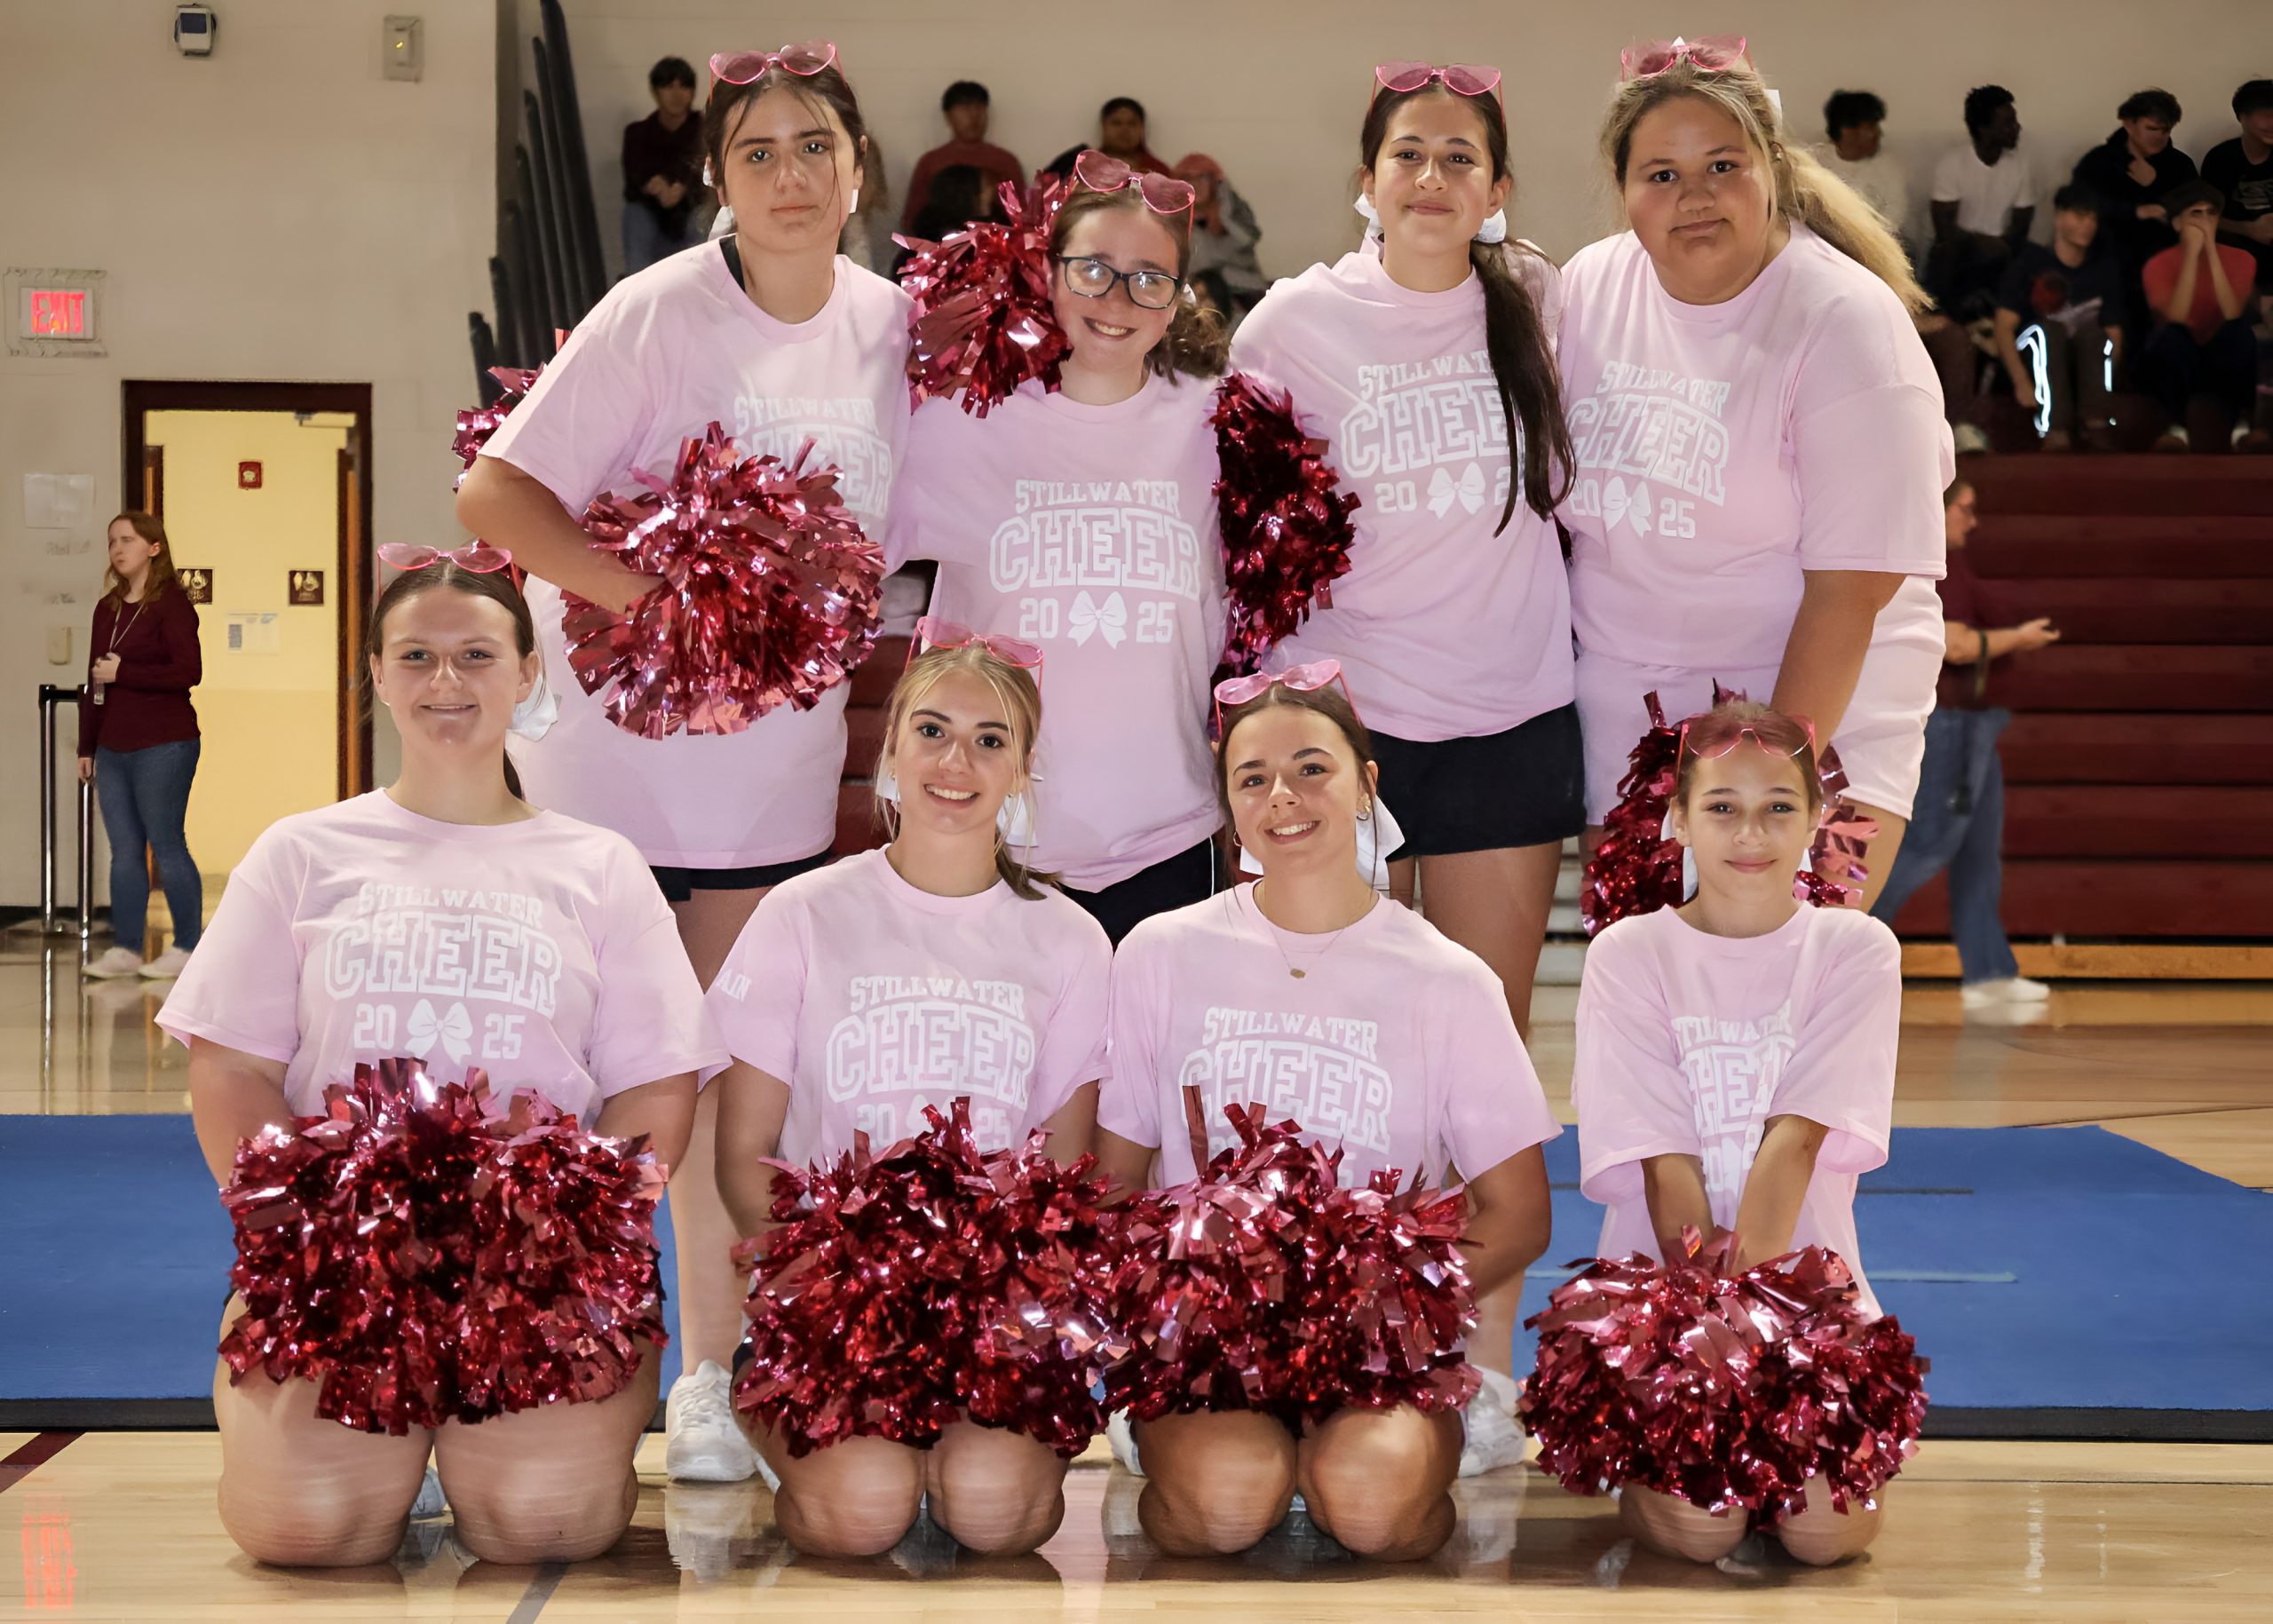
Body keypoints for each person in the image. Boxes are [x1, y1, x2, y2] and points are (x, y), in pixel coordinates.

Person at [455, 40, 913, 1489]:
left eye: (814, 148)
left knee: (724, 1083)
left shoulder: (894, 331)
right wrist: (652, 600)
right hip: (613, 763)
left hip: (772, 776)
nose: (790, 174)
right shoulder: (655, 311)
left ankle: (709, 1377)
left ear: (858, 171)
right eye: (760, 150)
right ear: (717, 173)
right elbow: (496, 490)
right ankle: (517, 1353)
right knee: (583, 1071)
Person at [155, 556, 720, 1567]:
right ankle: (386, 1450)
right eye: (415, 656)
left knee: (541, 1526)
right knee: (306, 1529)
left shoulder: (599, 864)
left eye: (474, 655)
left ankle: (464, 1444)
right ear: (377, 673)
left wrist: (562, 1239)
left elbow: (654, 1086)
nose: (444, 681)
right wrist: (317, 1232)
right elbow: (230, 1066)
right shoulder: (302, 850)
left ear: (526, 671)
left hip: (541, 1275)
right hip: (349, 1266)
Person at [1228, 62, 1580, 1446]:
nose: (1431, 177)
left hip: (1505, 711)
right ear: (1365, 181)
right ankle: (1323, 1321)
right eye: (1407, 155)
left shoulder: (1542, 304)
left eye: (1459, 158)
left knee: (1479, 1047)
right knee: (1345, 1044)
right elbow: (1247, 523)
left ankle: (1473, 1360)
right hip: (1350, 730)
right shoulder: (1297, 321)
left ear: (1497, 193)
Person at [1095, 667, 1556, 1559]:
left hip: (1379, 1346)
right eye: (1253, 776)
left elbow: (1520, 1211)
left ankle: (1341, 1464)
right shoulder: (1159, 951)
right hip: (1210, 1345)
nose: (1284, 796)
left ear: (1365, 785)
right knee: (1225, 1505)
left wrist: (1380, 1303)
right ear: (1227, 807)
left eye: (1312, 767)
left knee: (1373, 1505)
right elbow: (1113, 1185)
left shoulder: (1448, 976)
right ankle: (1234, 1462)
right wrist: (1188, 1299)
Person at [708, 633, 1110, 1557]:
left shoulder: (1072, 939)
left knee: (994, 1509)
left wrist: (1007, 1312)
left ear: (1023, 770)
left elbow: (1063, 1171)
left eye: (989, 739)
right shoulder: (799, 913)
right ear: (889, 745)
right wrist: (817, 1292)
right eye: (931, 729)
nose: (955, 761)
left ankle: (945, 1448)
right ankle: (797, 1426)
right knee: (863, 1510)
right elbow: (744, 1153)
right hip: (826, 1306)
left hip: (991, 1317)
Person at [1561, 39, 1949, 919]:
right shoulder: (1588, 288)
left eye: (1721, 165)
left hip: (1826, 720)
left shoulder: (1847, 323)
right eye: (1658, 173)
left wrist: (1767, 790)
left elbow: (1853, 591)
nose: (1691, 195)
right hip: (1635, 719)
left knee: (1779, 999)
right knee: (1653, 999)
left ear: (1771, 168)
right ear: (1621, 189)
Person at [1573, 698, 1900, 1566]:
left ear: (1818, 818)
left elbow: (1792, 1145)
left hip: (1808, 1304)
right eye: (1720, 805)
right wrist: (1703, 1341)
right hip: (1668, 1303)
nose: (1748, 831)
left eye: (1778, 806)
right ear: (1676, 817)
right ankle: (1658, 1481)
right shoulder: (1628, 952)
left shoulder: (1854, 947)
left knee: (1827, 1532)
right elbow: (1663, 1165)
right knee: (1699, 1524)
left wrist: (1758, 1343)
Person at [888, 152, 1228, 944]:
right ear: (1047, 271)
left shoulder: (1216, 424)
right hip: (991, 837)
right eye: (1094, 270)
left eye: (1151, 278)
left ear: (1177, 298)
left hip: (1167, 838)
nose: (1118, 299)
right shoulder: (962, 418)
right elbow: (840, 541)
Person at [1870, 482, 2057, 1009]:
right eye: (1965, 508)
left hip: (1977, 724)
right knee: (1927, 842)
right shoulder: (1935, 570)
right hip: (1949, 725)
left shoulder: (1955, 563)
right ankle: (1842, 942)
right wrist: (2018, 639)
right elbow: (1952, 646)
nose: (1973, 521)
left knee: (1978, 854)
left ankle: (1990, 973)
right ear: (1936, 505)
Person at [78, 511, 204, 980]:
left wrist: (124, 673)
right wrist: (86, 746)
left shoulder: (172, 603)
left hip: (164, 743)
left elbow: (188, 672)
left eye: (127, 540)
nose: (117, 549)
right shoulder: (107, 608)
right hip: (113, 746)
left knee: (167, 844)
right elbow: (93, 680)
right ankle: (127, 949)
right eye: (112, 541)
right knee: (124, 850)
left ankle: (188, 945)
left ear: (153, 547)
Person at [1992, 186, 2125, 450]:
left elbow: (2115, 335)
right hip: (2037, 352)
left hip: (2085, 356)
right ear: (2059, 217)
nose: (2088, 225)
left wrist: (2102, 381)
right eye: (2080, 216)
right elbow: (2003, 326)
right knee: (2049, 331)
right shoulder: (2031, 263)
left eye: (2093, 219)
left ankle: (2096, 421)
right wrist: (2021, 382)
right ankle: (2055, 426)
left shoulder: (2103, 269)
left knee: (2095, 333)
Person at [2140, 180, 2263, 450]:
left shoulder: (2242, 259)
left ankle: (2243, 428)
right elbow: (2176, 317)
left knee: (2239, 332)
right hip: (2182, 352)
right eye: (2196, 214)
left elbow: (2232, 312)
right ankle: (2174, 429)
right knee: (2171, 336)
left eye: (2211, 213)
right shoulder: (2158, 264)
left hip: (2223, 350)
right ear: (2177, 223)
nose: (2206, 222)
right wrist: (2192, 255)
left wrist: (2210, 253)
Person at [2069, 88, 2197, 315]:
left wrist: (2153, 186)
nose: (2159, 136)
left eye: (2166, 130)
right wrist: (2135, 211)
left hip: (2166, 259)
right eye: (2152, 129)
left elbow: (2193, 210)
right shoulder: (2099, 163)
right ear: (2128, 124)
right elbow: (2079, 210)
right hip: (2110, 257)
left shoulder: (2179, 165)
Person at [1928, 85, 2036, 318]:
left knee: (2032, 259)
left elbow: (2023, 222)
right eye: (2008, 123)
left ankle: (2005, 331)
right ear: (1984, 129)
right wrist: (1980, 242)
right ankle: (1955, 325)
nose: (2017, 128)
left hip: (2004, 249)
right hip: (1962, 249)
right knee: (1944, 255)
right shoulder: (1952, 163)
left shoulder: (2020, 164)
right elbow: (1944, 228)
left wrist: (2000, 245)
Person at [901, 80, 1024, 233]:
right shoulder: (931, 162)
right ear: (948, 116)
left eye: (980, 108)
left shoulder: (1005, 161)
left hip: (998, 247)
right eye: (965, 109)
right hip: (941, 246)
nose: (974, 116)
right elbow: (912, 218)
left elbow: (1022, 216)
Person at [621, 56, 705, 274]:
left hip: (692, 210)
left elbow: (706, 169)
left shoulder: (706, 129)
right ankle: (639, 292)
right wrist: (657, 186)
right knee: (635, 214)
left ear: (692, 91)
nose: (676, 94)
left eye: (683, 86)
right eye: (668, 86)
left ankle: (700, 286)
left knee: (704, 214)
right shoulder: (638, 132)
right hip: (652, 213)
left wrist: (682, 187)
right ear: (655, 91)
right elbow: (635, 176)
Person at [2200, 79, 2273, 313]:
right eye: (2266, 115)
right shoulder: (2221, 159)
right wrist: (2250, 229)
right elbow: (2206, 219)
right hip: (2237, 242)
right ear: (2242, 117)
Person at [1172, 153, 1268, 326]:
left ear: (1216, 182)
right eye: (1188, 178)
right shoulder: (1173, 217)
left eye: (1203, 177)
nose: (1196, 184)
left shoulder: (1234, 211)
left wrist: (1225, 214)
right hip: (1194, 294)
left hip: (1242, 292)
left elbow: (1246, 240)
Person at [1818, 90, 1910, 244]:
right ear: (1848, 131)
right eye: (1871, 127)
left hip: (1875, 245)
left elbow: (1894, 217)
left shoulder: (1888, 167)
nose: (1878, 134)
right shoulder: (1816, 162)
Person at [1042, 97, 1170, 182]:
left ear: (1142, 128)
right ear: (1103, 126)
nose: (1124, 130)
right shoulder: (1082, 166)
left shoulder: (1158, 172)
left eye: (1132, 124)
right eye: (1116, 123)